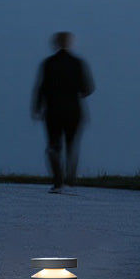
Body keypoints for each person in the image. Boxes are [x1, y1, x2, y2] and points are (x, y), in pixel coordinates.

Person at [32, 31, 94, 193]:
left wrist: (37, 107)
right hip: (74, 110)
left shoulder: (48, 63)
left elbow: (41, 88)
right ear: (71, 43)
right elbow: (89, 88)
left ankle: (58, 180)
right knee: (72, 144)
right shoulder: (78, 63)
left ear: (55, 44)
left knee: (53, 145)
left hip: (53, 110)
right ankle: (70, 177)